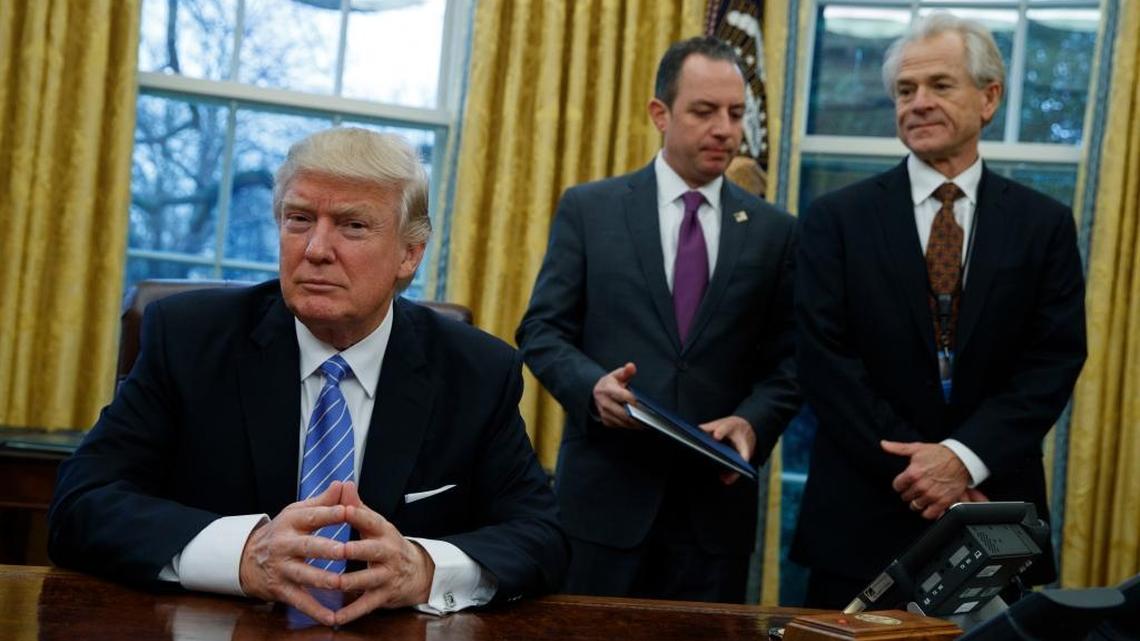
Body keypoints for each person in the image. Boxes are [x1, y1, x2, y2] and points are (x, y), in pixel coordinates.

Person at [49, 127, 568, 626]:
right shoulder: (189, 339)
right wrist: (242, 554)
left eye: (352, 225)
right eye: (299, 219)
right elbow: (81, 504)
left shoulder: (476, 371)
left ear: (410, 253)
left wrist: (425, 569)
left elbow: (542, 536)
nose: (316, 248)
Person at [792, 12, 1087, 608]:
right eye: (906, 90)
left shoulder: (1044, 225)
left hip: (991, 511)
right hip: (862, 514)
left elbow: (1052, 362)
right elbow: (825, 362)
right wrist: (926, 472)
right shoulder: (835, 219)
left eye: (940, 85)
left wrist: (963, 460)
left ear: (989, 98)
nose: (919, 102)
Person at [516, 36, 799, 603]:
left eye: (735, 114)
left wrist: (752, 423)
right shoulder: (591, 209)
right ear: (660, 113)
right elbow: (541, 331)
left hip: (713, 517)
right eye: (704, 111)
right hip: (604, 506)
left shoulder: (776, 231)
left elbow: (790, 363)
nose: (724, 129)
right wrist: (591, 387)